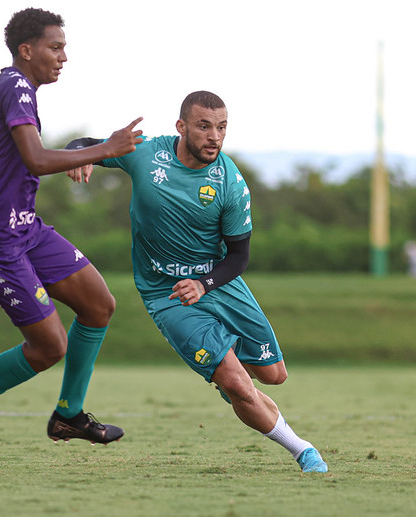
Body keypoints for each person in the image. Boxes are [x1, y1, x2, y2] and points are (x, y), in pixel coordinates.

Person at [65, 91, 328, 473]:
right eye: (204, 126)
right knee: (239, 384)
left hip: (218, 282)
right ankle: (303, 450)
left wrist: (204, 283)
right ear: (181, 126)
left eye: (221, 127)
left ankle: (228, 373)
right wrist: (80, 156)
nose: (214, 137)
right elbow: (85, 145)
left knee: (274, 376)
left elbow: (239, 257)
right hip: (166, 293)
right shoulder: (145, 153)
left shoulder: (230, 183)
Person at [0, 7, 144, 464]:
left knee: (99, 305)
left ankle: (69, 415)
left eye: (64, 47)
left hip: (23, 228)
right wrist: (107, 148)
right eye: (55, 47)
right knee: (49, 346)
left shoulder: (4, 91)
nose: (63, 56)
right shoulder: (15, 87)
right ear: (26, 51)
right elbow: (36, 161)